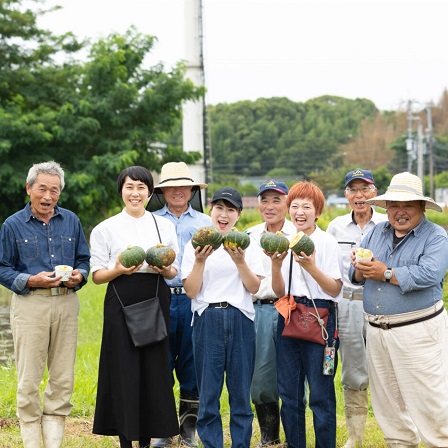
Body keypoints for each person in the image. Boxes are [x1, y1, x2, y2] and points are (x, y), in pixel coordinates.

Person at [349, 172, 448, 448]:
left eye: (407, 205)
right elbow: (353, 275)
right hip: (377, 330)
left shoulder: (435, 236)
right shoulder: (375, 233)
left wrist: (386, 273)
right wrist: (359, 268)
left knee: (431, 404)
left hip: (418, 330)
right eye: (393, 205)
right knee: (388, 406)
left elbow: (429, 274)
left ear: (421, 207)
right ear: (386, 207)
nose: (399, 212)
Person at [0, 161, 90, 448]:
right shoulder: (12, 225)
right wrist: (31, 280)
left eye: (54, 190)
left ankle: (53, 444)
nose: (48, 196)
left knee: (62, 377)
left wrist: (80, 275)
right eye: (42, 189)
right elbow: (2, 267)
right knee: (29, 378)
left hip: (66, 303)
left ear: (60, 193)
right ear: (29, 189)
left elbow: (83, 260)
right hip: (30, 305)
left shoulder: (72, 221)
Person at [90, 166, 180, 448]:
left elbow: (173, 271)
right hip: (120, 298)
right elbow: (96, 276)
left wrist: (163, 268)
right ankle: (125, 441)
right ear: (121, 191)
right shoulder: (105, 228)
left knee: (154, 372)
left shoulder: (163, 226)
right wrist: (117, 269)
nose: (135, 193)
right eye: (129, 187)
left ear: (150, 192)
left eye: (141, 187)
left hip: (155, 298)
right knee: (123, 370)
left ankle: (146, 441)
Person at [181, 187, 264, 448]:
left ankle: (241, 444)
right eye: (219, 208)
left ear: (238, 214)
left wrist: (240, 262)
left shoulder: (247, 243)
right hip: (207, 319)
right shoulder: (196, 244)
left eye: (230, 209)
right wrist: (199, 262)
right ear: (211, 211)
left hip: (240, 318)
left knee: (240, 395)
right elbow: (192, 291)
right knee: (209, 395)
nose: (224, 214)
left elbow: (254, 288)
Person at [270, 181, 343, 448]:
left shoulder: (327, 242)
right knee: (289, 394)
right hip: (288, 315)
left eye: (307, 206)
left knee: (321, 395)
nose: (300, 212)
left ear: (318, 212)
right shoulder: (285, 241)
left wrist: (311, 267)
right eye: (295, 206)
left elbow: (335, 289)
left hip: (321, 317)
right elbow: (279, 291)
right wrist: (276, 266)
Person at [150, 162, 212, 447]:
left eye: (182, 186)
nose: (177, 191)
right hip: (159, 298)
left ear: (191, 190)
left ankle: (189, 428)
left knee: (192, 362)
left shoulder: (204, 223)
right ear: (162, 191)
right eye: (170, 187)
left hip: (194, 300)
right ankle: (164, 428)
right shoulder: (151, 221)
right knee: (160, 361)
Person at [326, 168, 387, 447]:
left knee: (387, 368)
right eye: (354, 190)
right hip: (347, 304)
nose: (360, 196)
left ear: (375, 192)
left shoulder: (387, 224)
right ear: (347, 194)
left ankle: (394, 433)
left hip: (382, 303)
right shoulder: (336, 227)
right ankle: (355, 436)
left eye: (365, 189)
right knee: (352, 370)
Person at [245, 179, 296, 446]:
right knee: (261, 376)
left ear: (288, 203)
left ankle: (294, 436)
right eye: (265, 200)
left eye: (277, 200)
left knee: (291, 376)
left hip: (292, 309)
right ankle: (270, 437)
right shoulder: (250, 236)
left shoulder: (298, 234)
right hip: (260, 309)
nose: (270, 206)